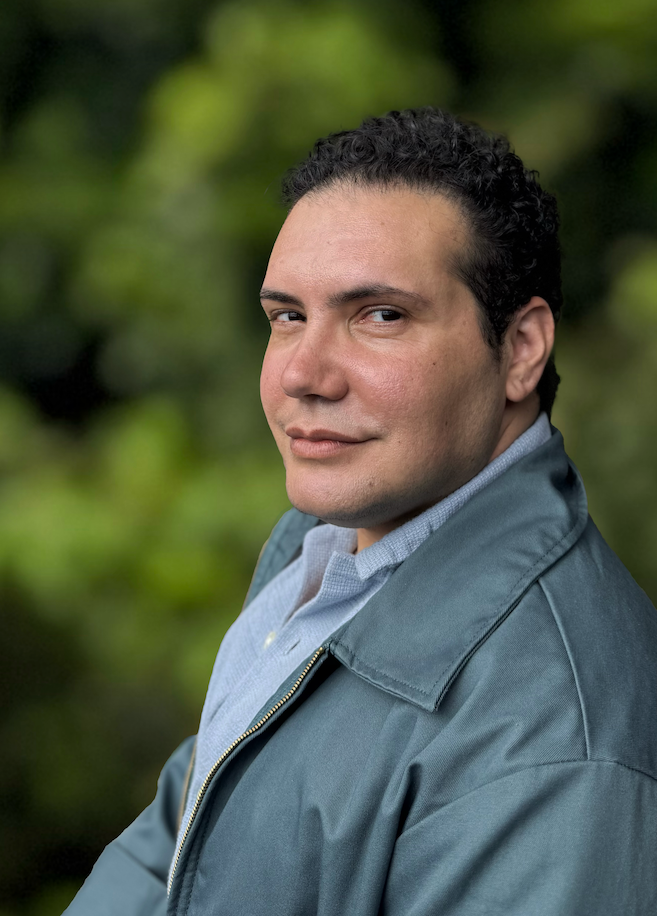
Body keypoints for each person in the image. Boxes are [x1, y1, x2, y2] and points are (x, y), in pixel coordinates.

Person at [65, 108, 657, 916]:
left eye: (380, 316)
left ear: (520, 348)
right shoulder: (318, 563)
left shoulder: (555, 740)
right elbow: (177, 850)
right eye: (288, 317)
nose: (303, 374)